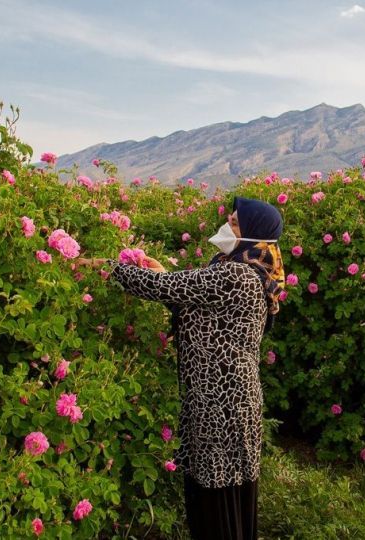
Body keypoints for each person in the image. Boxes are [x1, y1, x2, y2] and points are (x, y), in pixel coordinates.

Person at [79, 197, 284, 540]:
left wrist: (106, 266)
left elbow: (167, 288)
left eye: (234, 224)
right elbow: (193, 298)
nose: (226, 227)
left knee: (218, 489)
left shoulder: (236, 274)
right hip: (222, 396)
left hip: (223, 402)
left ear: (253, 234)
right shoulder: (244, 271)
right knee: (221, 488)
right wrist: (163, 276)